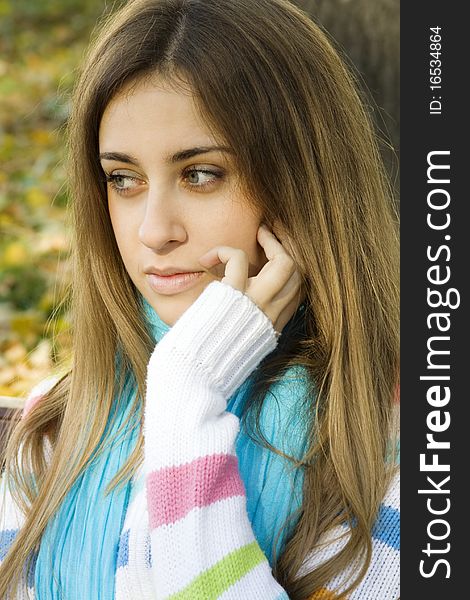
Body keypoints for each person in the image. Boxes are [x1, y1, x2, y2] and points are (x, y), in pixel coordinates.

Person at [0, 0, 400, 598]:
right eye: (123, 179)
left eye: (201, 174)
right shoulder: (58, 428)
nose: (154, 231)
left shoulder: (394, 445)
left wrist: (186, 397)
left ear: (302, 183)